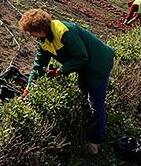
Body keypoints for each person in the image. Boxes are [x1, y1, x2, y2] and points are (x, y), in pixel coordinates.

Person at [18, 8, 114, 155]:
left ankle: (95, 142)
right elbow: (38, 66)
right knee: (84, 92)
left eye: (31, 31)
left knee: (95, 102)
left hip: (99, 64)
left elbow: (81, 57)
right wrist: (27, 89)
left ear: (40, 29)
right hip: (85, 67)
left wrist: (60, 72)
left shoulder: (64, 32)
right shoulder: (44, 40)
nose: (30, 35)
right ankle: (90, 125)